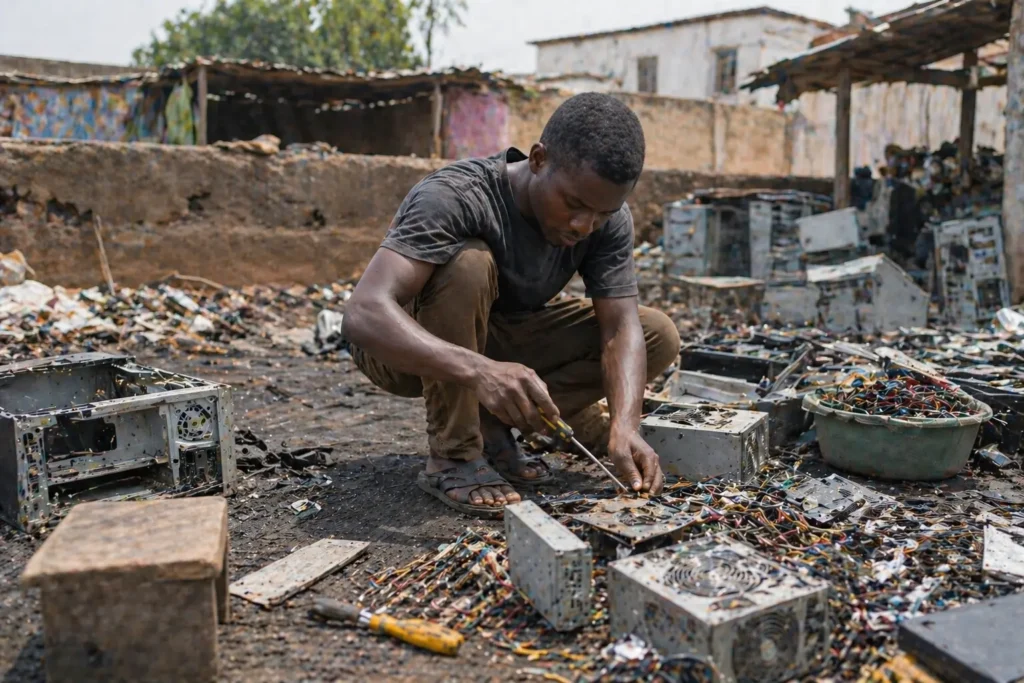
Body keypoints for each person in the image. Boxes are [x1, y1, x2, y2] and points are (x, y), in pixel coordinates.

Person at [342, 93, 681, 517]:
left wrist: (624, 425)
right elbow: (363, 313)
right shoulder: (457, 195)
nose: (583, 225)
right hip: (401, 348)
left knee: (656, 334)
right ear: (538, 159)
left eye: (600, 214)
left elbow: (619, 327)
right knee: (467, 264)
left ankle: (494, 420)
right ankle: (454, 454)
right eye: (574, 204)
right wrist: (481, 371)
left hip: (496, 335)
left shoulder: (605, 220)